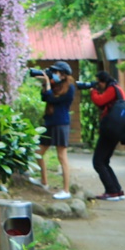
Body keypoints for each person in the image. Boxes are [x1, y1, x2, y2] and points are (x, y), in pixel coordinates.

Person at [36, 61, 76, 200]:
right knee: (38, 152)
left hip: (61, 124)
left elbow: (52, 98)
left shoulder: (69, 88)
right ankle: (44, 181)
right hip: (50, 122)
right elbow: (44, 97)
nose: (54, 74)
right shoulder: (54, 85)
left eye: (57, 72)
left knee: (61, 156)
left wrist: (48, 83)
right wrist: (46, 83)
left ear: (64, 75)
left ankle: (66, 190)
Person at [90, 70, 125, 201]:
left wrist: (93, 91)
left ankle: (112, 191)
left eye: (98, 83)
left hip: (110, 130)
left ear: (103, 81)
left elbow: (99, 101)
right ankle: (117, 190)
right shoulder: (118, 89)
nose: (98, 85)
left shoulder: (112, 89)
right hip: (116, 129)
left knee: (98, 161)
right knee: (104, 161)